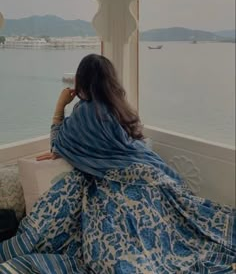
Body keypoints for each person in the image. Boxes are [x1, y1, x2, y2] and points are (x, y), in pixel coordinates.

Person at [0, 54, 235, 273]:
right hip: (153, 176)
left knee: (118, 246)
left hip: (119, 185)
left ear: (82, 82)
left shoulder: (84, 114)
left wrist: (60, 106)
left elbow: (58, 144)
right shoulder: (119, 108)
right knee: (185, 230)